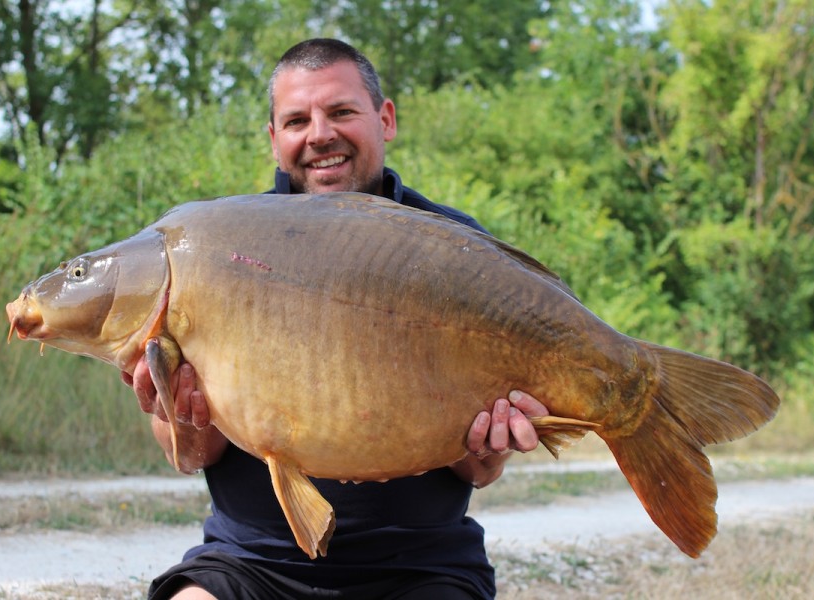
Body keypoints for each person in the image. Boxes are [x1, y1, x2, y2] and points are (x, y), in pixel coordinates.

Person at [123, 38, 549, 600]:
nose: (320, 134)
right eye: (297, 120)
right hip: (252, 562)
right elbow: (192, 457)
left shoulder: (454, 247)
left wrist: (491, 441)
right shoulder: (215, 248)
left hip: (421, 566)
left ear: (385, 118)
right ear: (275, 139)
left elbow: (480, 473)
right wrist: (185, 414)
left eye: (342, 112)